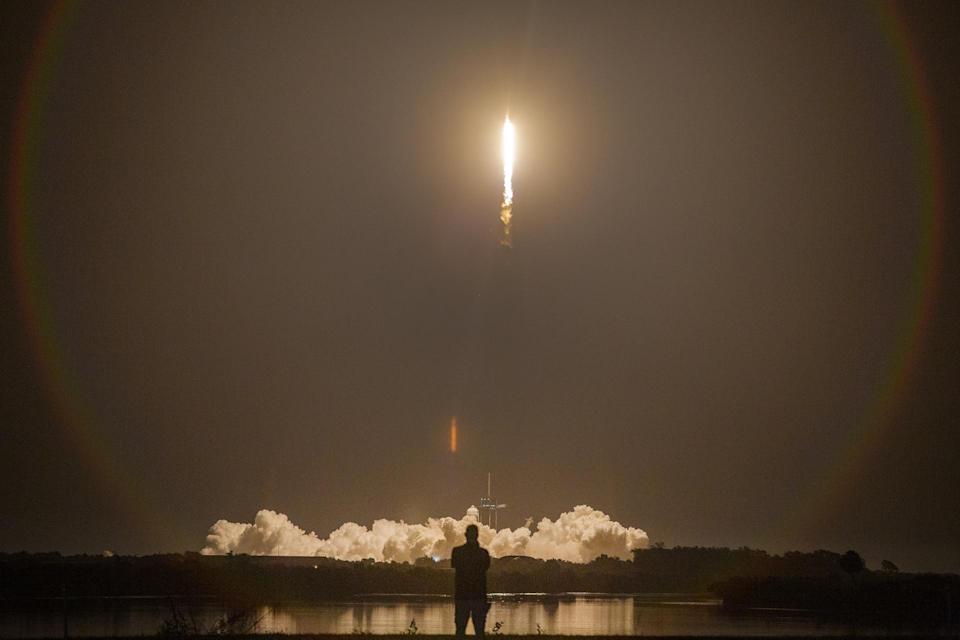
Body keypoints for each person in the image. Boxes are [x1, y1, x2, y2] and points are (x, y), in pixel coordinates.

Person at [451, 524, 491, 636]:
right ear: (477, 535)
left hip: (462, 595)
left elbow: (455, 565)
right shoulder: (483, 554)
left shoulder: (457, 552)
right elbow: (485, 567)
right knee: (479, 630)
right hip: (478, 595)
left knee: (460, 630)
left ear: (465, 535)